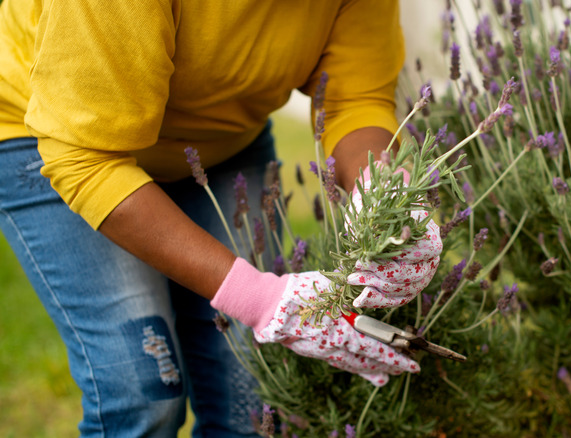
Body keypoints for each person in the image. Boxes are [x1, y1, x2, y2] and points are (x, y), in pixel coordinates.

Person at [0, 1, 442, 436]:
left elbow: (357, 99)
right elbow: (86, 159)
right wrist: (261, 298)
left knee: (252, 396)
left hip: (220, 142)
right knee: (143, 393)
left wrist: (386, 194)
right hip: (56, 135)